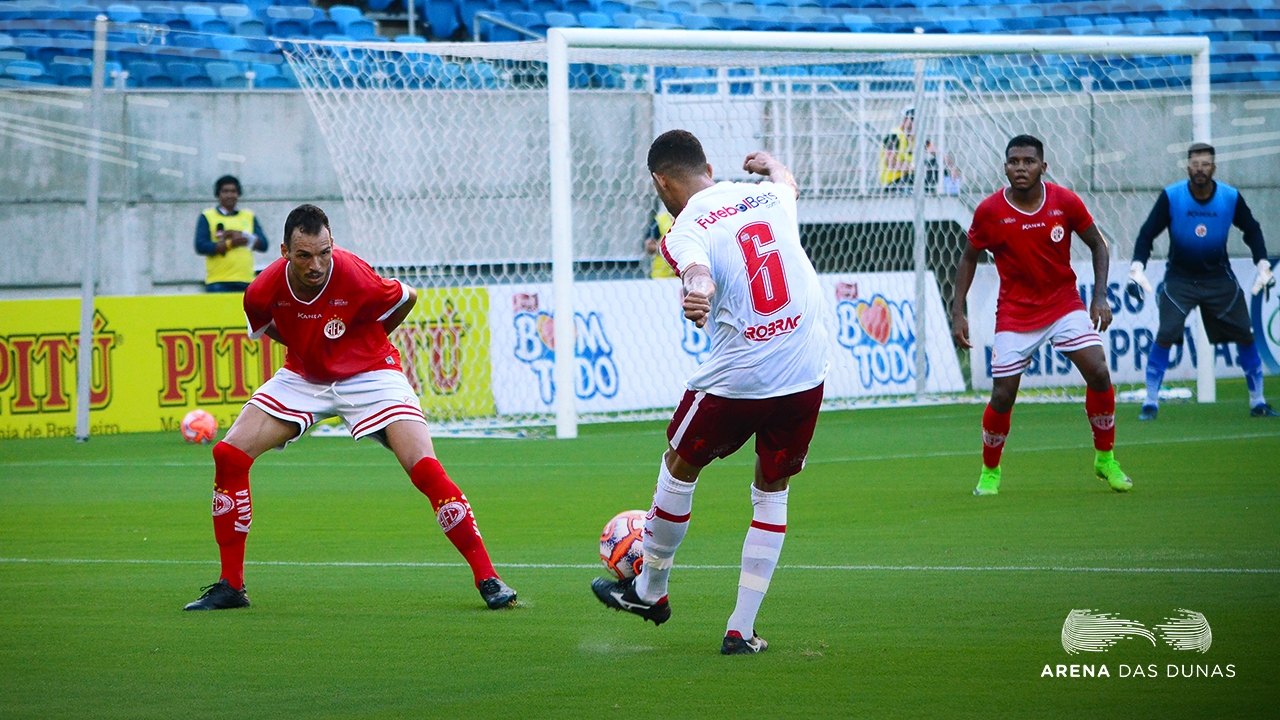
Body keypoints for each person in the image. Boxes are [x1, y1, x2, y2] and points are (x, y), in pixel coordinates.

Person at [183, 204, 517, 612]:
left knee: (424, 467)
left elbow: (407, 297)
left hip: (371, 372)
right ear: (285, 251)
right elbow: (268, 326)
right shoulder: (260, 292)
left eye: (324, 252)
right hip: (304, 377)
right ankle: (231, 587)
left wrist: (361, 344)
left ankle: (489, 579)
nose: (316, 264)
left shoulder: (354, 273)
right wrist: (310, 349)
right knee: (228, 454)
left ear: (332, 244)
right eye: (304, 255)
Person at [590, 130, 830, 655]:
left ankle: (651, 590)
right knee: (773, 488)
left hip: (742, 373)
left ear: (660, 180)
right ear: (709, 166)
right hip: (807, 366)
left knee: (679, 464)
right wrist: (771, 163)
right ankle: (740, 631)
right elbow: (788, 182)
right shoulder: (768, 195)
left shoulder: (683, 228)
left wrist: (697, 292)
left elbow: (698, 273)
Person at [951, 135, 1132, 496]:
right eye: (1014, 161)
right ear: (1005, 167)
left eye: (1029, 161)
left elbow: (1098, 243)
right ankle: (990, 471)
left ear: (1043, 167)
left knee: (1098, 370)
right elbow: (969, 256)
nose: (1021, 167)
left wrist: (1099, 297)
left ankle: (1105, 459)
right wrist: (957, 311)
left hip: (1063, 303)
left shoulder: (1064, 201)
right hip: (1016, 312)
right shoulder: (990, 211)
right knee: (1003, 396)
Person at [1128, 142, 1276, 420]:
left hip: (1219, 278)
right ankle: (1150, 402)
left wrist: (1263, 263)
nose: (1200, 169)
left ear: (1214, 168)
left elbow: (1252, 229)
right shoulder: (1172, 196)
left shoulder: (1230, 197)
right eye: (1195, 164)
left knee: (1245, 333)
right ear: (1188, 168)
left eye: (1205, 164)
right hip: (1180, 279)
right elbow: (1147, 234)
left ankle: (1258, 401)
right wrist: (1137, 266)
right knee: (1166, 333)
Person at [195, 175, 269, 293]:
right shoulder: (208, 216)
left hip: (246, 280)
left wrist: (242, 236)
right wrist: (230, 244)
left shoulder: (248, 216)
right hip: (218, 281)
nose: (230, 195)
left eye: (233, 191)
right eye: (225, 191)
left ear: (238, 194)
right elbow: (200, 246)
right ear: (218, 194)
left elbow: (264, 245)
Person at [877, 106, 960, 194]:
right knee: (925, 171)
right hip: (894, 181)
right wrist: (914, 168)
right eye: (912, 119)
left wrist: (951, 167)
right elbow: (890, 162)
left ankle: (951, 191)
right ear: (904, 119)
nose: (915, 122)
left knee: (938, 163)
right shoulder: (894, 136)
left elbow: (938, 153)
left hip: (911, 176)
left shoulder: (917, 137)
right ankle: (920, 192)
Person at [643, 208, 677, 279]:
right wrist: (667, 248)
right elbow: (648, 246)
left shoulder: (690, 219)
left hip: (684, 276)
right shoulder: (660, 220)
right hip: (662, 276)